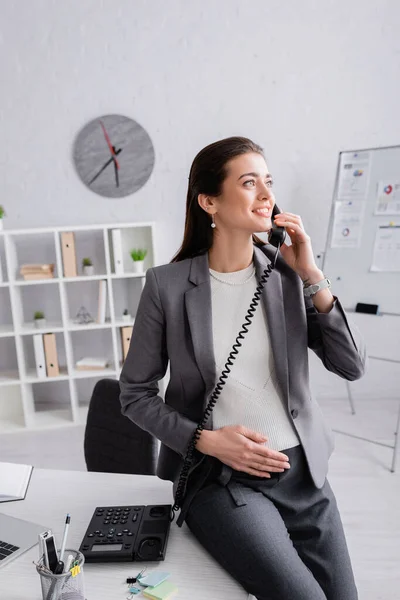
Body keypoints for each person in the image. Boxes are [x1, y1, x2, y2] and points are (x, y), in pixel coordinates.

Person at [119, 136, 366, 600]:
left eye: (268, 182)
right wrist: (206, 440)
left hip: (303, 476)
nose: (267, 195)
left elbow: (349, 366)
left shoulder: (287, 274)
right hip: (221, 478)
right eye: (249, 183)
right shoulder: (167, 286)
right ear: (209, 201)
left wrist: (313, 275)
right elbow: (134, 394)